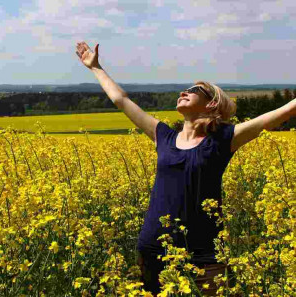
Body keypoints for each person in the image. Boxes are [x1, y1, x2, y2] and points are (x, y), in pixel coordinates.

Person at [75, 41, 296, 296]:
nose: (184, 91)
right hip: (154, 250)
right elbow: (121, 100)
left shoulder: (224, 139)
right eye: (184, 88)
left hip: (205, 255)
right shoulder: (164, 137)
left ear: (212, 104)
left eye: (194, 89)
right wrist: (95, 67)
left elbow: (283, 112)